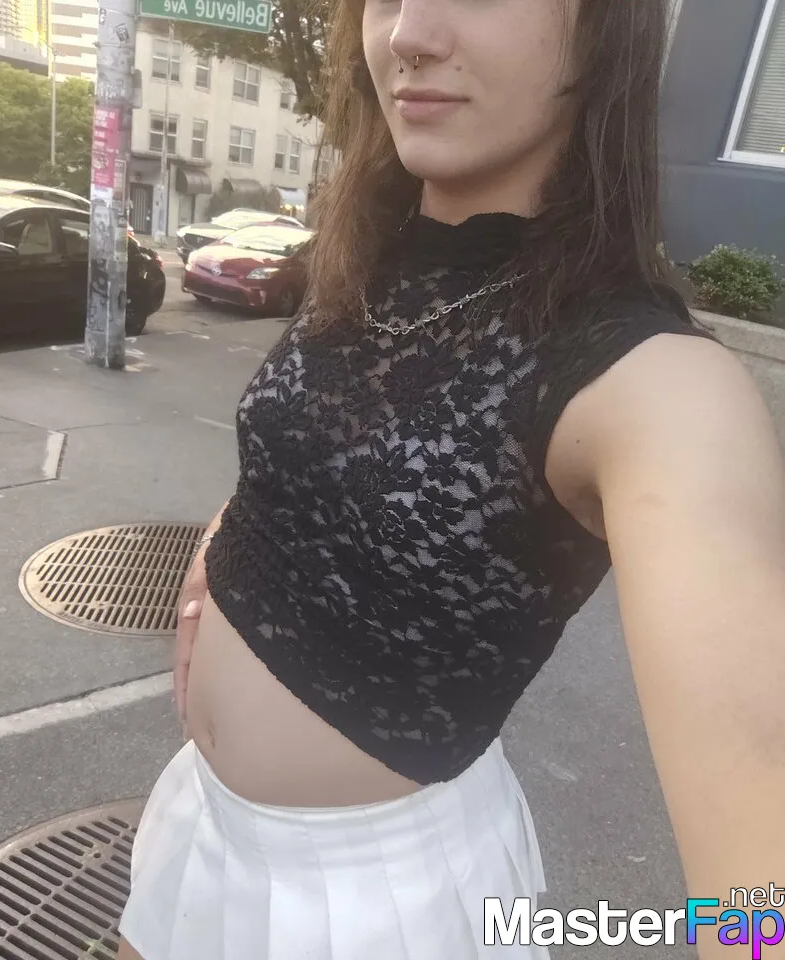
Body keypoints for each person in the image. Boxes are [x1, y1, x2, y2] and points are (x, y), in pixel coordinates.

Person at [118, 0, 785, 956]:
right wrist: (228, 541)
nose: (407, 33)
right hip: (197, 826)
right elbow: (308, 453)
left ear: (607, 26)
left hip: (375, 910)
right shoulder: (369, 258)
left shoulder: (656, 384)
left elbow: (760, 879)